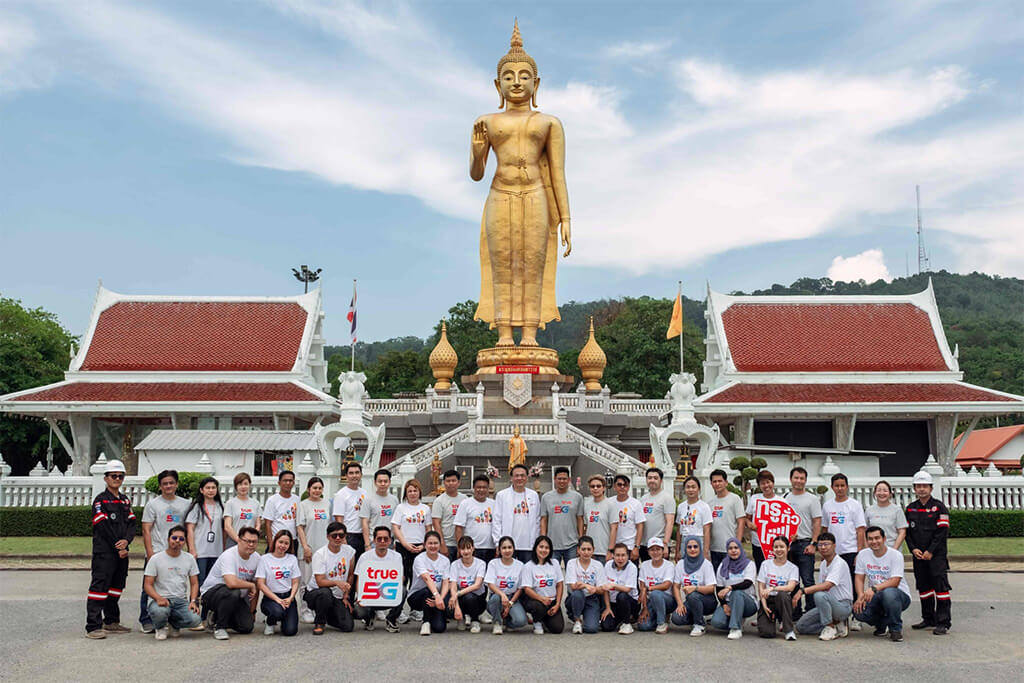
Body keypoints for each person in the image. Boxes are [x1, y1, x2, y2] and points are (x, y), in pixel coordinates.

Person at [86, 458, 135, 639]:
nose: (117, 479)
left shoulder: (124, 501)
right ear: (106, 478)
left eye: (120, 476)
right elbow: (103, 526)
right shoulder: (100, 500)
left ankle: (111, 621)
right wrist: (118, 545)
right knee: (99, 587)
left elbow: (132, 523)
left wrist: (126, 541)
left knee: (116, 587)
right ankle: (93, 626)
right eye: (113, 476)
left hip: (122, 552)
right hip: (105, 553)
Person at [139, 469, 190, 634]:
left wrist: (189, 550)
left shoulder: (185, 504)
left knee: (175, 585)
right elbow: (146, 529)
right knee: (149, 586)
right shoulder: (153, 504)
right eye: (165, 484)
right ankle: (146, 620)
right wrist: (150, 553)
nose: (168, 486)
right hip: (157, 551)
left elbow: (189, 529)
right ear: (160, 486)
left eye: (171, 483)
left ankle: (173, 620)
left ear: (176, 485)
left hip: (177, 552)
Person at [905, 471, 951, 635]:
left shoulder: (939, 507)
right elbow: (907, 533)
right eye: (918, 486)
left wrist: (931, 551)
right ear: (914, 489)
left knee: (940, 588)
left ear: (931, 488)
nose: (922, 489)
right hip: (918, 556)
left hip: (936, 556)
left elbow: (942, 532)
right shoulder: (910, 508)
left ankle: (943, 622)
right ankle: (928, 618)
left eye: (925, 486)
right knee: (924, 587)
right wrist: (913, 549)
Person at [199, 526, 261, 640]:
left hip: (234, 598)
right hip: (212, 594)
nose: (251, 545)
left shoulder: (257, 558)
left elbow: (257, 588)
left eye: (254, 542)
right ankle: (220, 627)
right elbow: (231, 583)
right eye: (247, 541)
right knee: (233, 591)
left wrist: (252, 612)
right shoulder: (229, 555)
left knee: (246, 627)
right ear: (239, 540)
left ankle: (215, 617)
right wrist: (251, 585)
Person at [853, 526, 911, 642]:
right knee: (858, 612)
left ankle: (895, 629)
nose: (874, 541)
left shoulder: (895, 555)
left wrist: (874, 588)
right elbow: (859, 578)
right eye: (870, 539)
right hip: (875, 595)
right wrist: (860, 596)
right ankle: (882, 624)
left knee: (888, 593)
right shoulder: (863, 555)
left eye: (877, 538)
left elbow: (895, 582)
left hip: (898, 595)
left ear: (884, 539)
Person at [143, 524, 201, 639]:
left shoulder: (189, 559)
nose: (177, 541)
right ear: (168, 539)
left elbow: (194, 583)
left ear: (185, 542)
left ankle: (174, 624)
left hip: (180, 600)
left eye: (181, 539)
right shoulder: (156, 559)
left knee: (195, 619)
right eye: (174, 538)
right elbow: (147, 585)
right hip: (160, 599)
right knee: (159, 612)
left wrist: (193, 601)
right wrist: (158, 598)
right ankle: (160, 627)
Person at [794, 532, 853, 640]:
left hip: (842, 605)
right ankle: (838, 625)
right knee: (801, 626)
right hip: (827, 605)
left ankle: (830, 627)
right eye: (820, 545)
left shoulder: (839, 563)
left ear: (834, 545)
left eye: (826, 544)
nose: (823, 547)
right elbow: (822, 587)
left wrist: (803, 590)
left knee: (819, 595)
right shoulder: (823, 564)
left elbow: (827, 586)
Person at [304, 521, 355, 635]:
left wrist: (346, 595)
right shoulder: (320, 554)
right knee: (325, 593)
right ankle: (319, 623)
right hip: (316, 592)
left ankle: (327, 615)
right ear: (328, 537)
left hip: (336, 595)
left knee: (348, 626)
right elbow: (320, 582)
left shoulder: (349, 551)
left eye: (341, 535)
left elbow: (350, 574)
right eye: (334, 535)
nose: (338, 538)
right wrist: (337, 582)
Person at [784, 466, 822, 613]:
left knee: (808, 579)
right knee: (792, 580)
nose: (798, 481)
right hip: (789, 545)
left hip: (805, 543)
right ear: (791, 479)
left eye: (802, 478)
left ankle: (811, 611)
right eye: (796, 478)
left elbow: (817, 522)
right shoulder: (785, 498)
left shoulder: (812, 499)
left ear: (805, 480)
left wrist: (814, 543)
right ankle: (795, 611)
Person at [353, 526, 405, 633]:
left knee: (403, 590)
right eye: (379, 539)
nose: (382, 541)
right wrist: (359, 596)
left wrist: (401, 579)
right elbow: (359, 579)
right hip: (370, 594)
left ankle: (391, 619)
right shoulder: (365, 557)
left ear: (390, 541)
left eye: (385, 539)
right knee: (359, 610)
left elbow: (401, 579)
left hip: (387, 593)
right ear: (374, 540)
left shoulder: (397, 557)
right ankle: (369, 618)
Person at [709, 538, 758, 640]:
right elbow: (719, 588)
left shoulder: (749, 564)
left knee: (736, 593)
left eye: (736, 548)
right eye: (730, 548)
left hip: (748, 602)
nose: (733, 550)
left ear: (740, 549)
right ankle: (737, 620)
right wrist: (724, 605)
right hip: (729, 602)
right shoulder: (723, 565)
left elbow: (748, 583)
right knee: (716, 622)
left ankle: (736, 628)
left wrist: (730, 588)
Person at [256, 529, 301, 636]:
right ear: (275, 541)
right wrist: (277, 599)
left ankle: (284, 618)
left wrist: (291, 598)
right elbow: (260, 584)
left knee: (290, 631)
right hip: (271, 597)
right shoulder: (265, 559)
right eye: (280, 542)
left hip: (288, 597)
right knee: (277, 612)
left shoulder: (292, 559)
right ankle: (270, 622)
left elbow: (295, 582)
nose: (283, 545)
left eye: (286, 543)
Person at [493, 463, 541, 563]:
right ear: (511, 478)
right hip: (508, 546)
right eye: (516, 475)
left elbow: (537, 520)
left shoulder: (533, 495)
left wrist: (536, 542)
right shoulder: (502, 495)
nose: (519, 478)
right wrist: (498, 542)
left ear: (527, 478)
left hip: (528, 546)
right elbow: (497, 520)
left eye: (522, 475)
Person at [299, 477, 332, 622]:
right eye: (314, 488)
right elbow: (300, 527)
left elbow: (330, 526)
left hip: (324, 549)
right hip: (309, 548)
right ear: (308, 489)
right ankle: (305, 610)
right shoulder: (303, 505)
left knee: (322, 580)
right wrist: (305, 546)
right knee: (306, 581)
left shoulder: (327, 504)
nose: (317, 491)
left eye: (319, 488)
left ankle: (320, 610)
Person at [671, 536, 718, 636]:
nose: (692, 549)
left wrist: (695, 588)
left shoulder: (706, 564)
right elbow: (676, 586)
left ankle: (699, 625)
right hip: (691, 601)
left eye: (695, 546)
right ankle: (698, 617)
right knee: (676, 618)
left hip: (707, 601)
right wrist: (680, 604)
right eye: (689, 547)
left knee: (693, 595)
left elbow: (711, 588)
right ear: (685, 548)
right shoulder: (680, 564)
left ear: (700, 548)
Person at [406, 530, 451, 635]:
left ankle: (433, 616)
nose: (433, 546)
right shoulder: (419, 559)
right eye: (430, 543)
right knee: (427, 591)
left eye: (435, 543)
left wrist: (441, 598)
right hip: (417, 596)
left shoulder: (445, 560)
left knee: (439, 628)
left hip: (436, 597)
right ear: (424, 544)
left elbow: (446, 582)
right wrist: (437, 595)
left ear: (440, 544)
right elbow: (427, 578)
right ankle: (425, 622)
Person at [821, 473, 866, 576]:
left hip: (850, 550)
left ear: (847, 487)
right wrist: (824, 550)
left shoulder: (855, 505)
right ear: (832, 487)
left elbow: (860, 530)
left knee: (851, 581)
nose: (840, 488)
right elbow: (825, 529)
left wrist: (859, 552)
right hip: (832, 551)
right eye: (837, 486)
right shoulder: (827, 506)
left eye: (842, 485)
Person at [756, 536, 800, 640]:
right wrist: (764, 605)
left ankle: (788, 630)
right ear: (772, 549)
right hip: (768, 600)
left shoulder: (793, 568)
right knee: (767, 633)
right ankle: (772, 619)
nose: (779, 550)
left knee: (782, 595)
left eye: (782, 547)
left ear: (788, 548)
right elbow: (761, 587)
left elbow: (790, 587)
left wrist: (773, 588)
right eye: (776, 547)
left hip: (783, 601)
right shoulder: (765, 564)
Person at [520, 535, 565, 634]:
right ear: (535, 548)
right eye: (541, 547)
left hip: (551, 601)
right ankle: (537, 621)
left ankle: (544, 619)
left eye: (547, 548)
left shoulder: (555, 563)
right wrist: (542, 599)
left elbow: (559, 584)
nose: (544, 550)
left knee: (557, 629)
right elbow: (527, 589)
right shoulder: (528, 566)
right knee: (538, 607)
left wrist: (557, 604)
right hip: (536, 601)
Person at [393, 479, 432, 593]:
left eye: (415, 491)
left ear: (419, 492)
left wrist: (424, 545)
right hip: (403, 546)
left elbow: (428, 529)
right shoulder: (401, 508)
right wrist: (405, 544)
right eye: (409, 491)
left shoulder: (425, 509)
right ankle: (400, 601)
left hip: (420, 547)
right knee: (403, 576)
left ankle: (414, 602)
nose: (413, 493)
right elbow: (395, 527)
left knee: (418, 577)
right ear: (406, 493)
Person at [185, 476, 225, 586]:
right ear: (201, 490)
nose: (211, 490)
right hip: (200, 552)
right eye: (208, 488)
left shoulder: (221, 507)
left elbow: (224, 529)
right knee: (200, 581)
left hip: (216, 551)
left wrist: (223, 548)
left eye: (213, 487)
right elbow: (190, 529)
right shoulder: (197, 507)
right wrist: (192, 549)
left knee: (213, 582)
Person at [540, 466, 583, 565]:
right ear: (554, 479)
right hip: (552, 544)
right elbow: (543, 519)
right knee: (551, 572)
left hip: (572, 544)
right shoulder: (546, 497)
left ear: (569, 480)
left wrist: (581, 539)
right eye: (559, 479)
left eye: (564, 479)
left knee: (573, 572)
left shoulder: (577, 497)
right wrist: (543, 539)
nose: (562, 481)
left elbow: (580, 519)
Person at [564, 536, 606, 634]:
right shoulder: (572, 563)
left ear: (593, 550)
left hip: (591, 598)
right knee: (577, 594)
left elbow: (602, 589)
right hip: (576, 597)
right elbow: (573, 586)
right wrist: (586, 586)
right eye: (583, 549)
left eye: (589, 549)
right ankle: (576, 619)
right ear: (578, 550)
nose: (586, 552)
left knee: (591, 629)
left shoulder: (598, 565)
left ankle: (589, 617)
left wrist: (594, 589)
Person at [485, 536, 527, 634]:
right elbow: (490, 584)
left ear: (513, 549)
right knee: (495, 599)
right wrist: (502, 594)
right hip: (497, 596)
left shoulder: (520, 565)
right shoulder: (493, 563)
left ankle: (507, 623)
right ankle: (497, 623)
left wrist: (510, 603)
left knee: (521, 621)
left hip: (512, 598)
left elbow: (520, 588)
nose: (507, 550)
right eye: (504, 548)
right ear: (499, 550)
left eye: (509, 547)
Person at [447, 536, 488, 633]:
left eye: (468, 548)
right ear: (459, 550)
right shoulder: (455, 565)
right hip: (461, 598)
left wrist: (457, 594)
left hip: (477, 599)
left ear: (473, 548)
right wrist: (456, 607)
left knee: (469, 597)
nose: (466, 551)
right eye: (462, 548)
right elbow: (453, 586)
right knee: (448, 603)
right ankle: (461, 618)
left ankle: (475, 620)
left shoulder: (481, 564)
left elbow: (477, 585)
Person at [708, 469, 745, 572]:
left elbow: (741, 521)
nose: (717, 484)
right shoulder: (710, 502)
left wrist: (737, 544)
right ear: (711, 484)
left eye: (720, 481)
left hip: (730, 548)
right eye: (714, 481)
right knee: (717, 577)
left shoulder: (735, 499)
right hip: (714, 548)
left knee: (731, 577)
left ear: (726, 482)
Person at [455, 474, 497, 563]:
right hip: (472, 548)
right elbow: (459, 528)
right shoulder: (465, 504)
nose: (481, 490)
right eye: (478, 487)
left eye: (484, 487)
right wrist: (460, 547)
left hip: (491, 548)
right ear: (474, 488)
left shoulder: (494, 504)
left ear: (488, 489)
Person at [637, 538, 675, 633]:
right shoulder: (644, 565)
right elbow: (642, 589)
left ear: (663, 550)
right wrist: (645, 608)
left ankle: (661, 623)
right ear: (648, 552)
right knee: (643, 626)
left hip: (668, 600)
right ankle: (660, 617)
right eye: (652, 550)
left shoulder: (669, 565)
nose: (655, 552)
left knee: (655, 593)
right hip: (651, 601)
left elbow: (666, 585)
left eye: (658, 549)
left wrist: (649, 588)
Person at [742, 470, 779, 569]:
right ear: (759, 485)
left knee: (776, 571)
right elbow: (747, 518)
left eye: (768, 482)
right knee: (761, 571)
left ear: (773, 483)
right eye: (762, 483)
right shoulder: (754, 499)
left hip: (776, 545)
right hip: (758, 543)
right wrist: (749, 524)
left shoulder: (782, 501)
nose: (766, 485)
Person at [600, 543, 639, 634]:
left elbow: (628, 589)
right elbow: (605, 589)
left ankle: (627, 623)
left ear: (628, 556)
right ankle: (620, 619)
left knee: (622, 596)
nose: (620, 558)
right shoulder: (608, 565)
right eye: (617, 555)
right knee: (606, 627)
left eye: (623, 555)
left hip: (630, 602)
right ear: (613, 556)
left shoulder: (632, 567)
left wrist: (613, 586)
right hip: (613, 603)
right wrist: (608, 607)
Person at [639, 467, 676, 563]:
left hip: (659, 545)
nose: (652, 480)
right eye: (649, 478)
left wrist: (665, 544)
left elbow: (670, 522)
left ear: (661, 480)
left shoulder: (667, 498)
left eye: (655, 478)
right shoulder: (643, 499)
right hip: (645, 544)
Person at [333, 462, 368, 560]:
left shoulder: (364, 493)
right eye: (351, 473)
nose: (354, 476)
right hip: (349, 535)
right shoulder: (341, 494)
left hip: (363, 536)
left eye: (357, 472)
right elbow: (339, 519)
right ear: (346, 476)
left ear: (361, 475)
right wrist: (343, 538)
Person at [263, 470, 303, 554]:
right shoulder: (272, 500)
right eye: (285, 480)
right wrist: (271, 544)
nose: (288, 483)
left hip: (292, 541)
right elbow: (268, 524)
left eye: (290, 481)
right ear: (279, 483)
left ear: (293, 483)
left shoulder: (297, 500)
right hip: (277, 540)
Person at [608, 475, 645, 563]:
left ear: (628, 487)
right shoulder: (608, 502)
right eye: (619, 484)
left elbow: (640, 526)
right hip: (612, 547)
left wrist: (636, 547)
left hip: (629, 547)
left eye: (625, 485)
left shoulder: (636, 504)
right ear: (614, 486)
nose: (622, 487)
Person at [360, 469, 399, 553]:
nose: (383, 484)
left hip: (389, 541)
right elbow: (364, 523)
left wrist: (396, 540)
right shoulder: (368, 500)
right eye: (380, 481)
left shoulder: (394, 500)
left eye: (385, 481)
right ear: (375, 482)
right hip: (374, 541)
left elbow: (396, 522)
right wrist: (367, 544)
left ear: (389, 482)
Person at [432, 469, 467, 561]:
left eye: (453, 481)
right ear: (444, 483)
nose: (451, 483)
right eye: (448, 481)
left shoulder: (465, 499)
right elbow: (436, 524)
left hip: (463, 544)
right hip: (447, 544)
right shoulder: (439, 501)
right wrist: (442, 544)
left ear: (459, 482)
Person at [675, 476, 711, 562]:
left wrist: (705, 551)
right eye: (688, 487)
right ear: (684, 489)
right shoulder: (681, 507)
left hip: (698, 541)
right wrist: (677, 550)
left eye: (693, 487)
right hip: (684, 541)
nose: (690, 490)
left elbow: (707, 531)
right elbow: (679, 530)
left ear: (699, 489)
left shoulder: (704, 507)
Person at [866, 480, 908, 551]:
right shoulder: (869, 510)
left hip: (892, 549)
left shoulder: (897, 510)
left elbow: (902, 532)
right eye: (879, 490)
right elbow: (865, 531)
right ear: (875, 493)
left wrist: (894, 550)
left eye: (885, 491)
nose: (882, 493)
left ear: (890, 494)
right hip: (874, 551)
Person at [224, 472, 263, 549]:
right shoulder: (230, 503)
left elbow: (258, 525)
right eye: (240, 484)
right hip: (234, 541)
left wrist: (251, 539)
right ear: (236, 486)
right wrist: (239, 540)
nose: (243, 487)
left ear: (249, 485)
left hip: (250, 542)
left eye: (245, 484)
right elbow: (227, 526)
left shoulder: (256, 503)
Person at [582, 475, 613, 564]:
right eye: (592, 486)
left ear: (604, 488)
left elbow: (614, 529)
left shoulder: (610, 504)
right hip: (589, 551)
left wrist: (610, 550)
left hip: (604, 551)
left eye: (598, 486)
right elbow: (585, 526)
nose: (595, 488)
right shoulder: (586, 504)